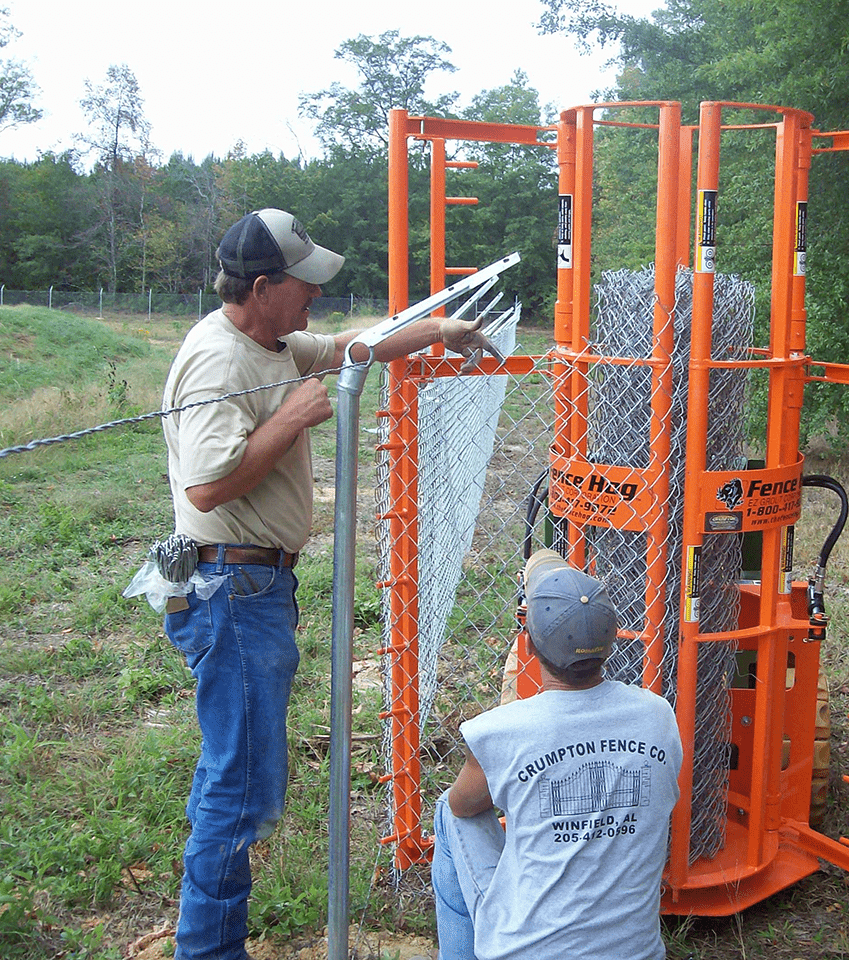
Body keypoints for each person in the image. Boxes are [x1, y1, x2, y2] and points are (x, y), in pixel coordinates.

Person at [161, 207, 502, 960]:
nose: (315, 295)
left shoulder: (273, 342)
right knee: (241, 784)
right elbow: (207, 489)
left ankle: (207, 939)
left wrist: (439, 331)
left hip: (250, 589)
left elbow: (355, 345)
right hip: (230, 589)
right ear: (261, 285)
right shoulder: (221, 359)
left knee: (236, 771)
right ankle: (208, 952)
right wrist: (292, 417)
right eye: (303, 283)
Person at [431, 548, 684, 960]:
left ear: (528, 644)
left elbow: (464, 808)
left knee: (447, 810)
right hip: (636, 953)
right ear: (613, 640)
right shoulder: (658, 715)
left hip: (527, 952)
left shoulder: (501, 731)